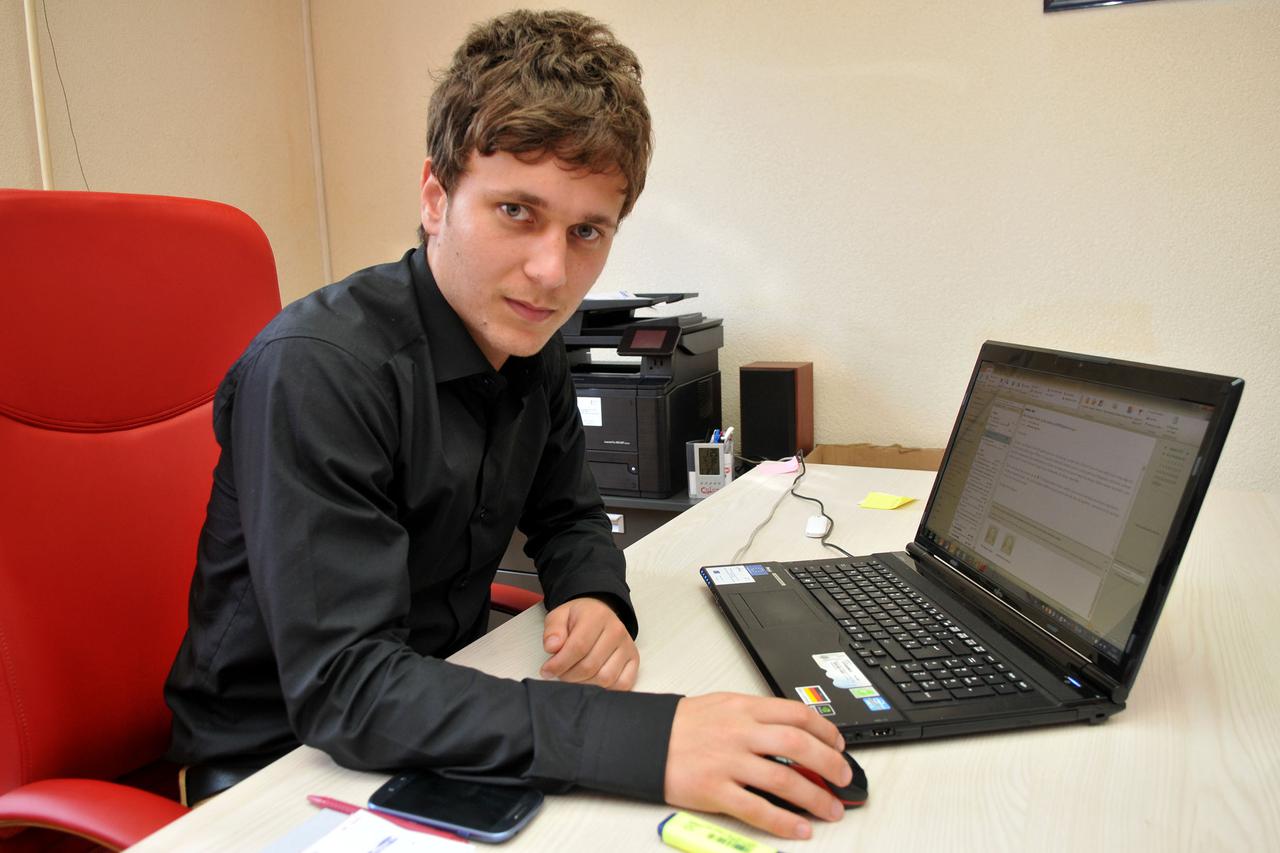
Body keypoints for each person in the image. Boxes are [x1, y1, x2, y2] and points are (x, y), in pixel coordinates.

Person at [164, 9, 850, 840]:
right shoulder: (320, 369)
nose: (552, 272)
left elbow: (569, 514)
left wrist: (593, 592)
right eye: (517, 211)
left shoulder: (529, 342)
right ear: (435, 198)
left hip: (435, 699)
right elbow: (345, 685)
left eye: (586, 231)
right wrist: (650, 738)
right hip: (278, 763)